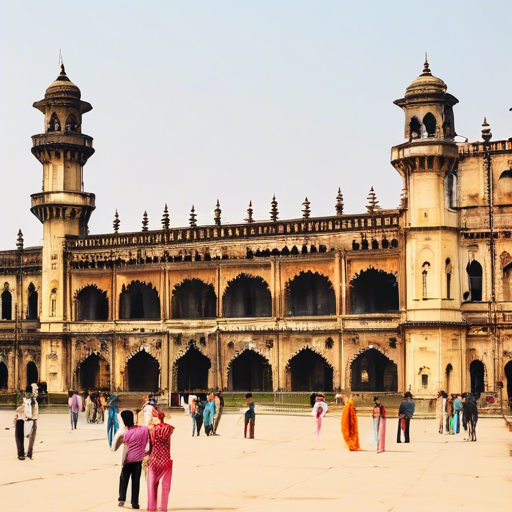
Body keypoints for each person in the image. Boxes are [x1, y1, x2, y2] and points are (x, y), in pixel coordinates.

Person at [117, 410, 149, 510]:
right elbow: (148, 442)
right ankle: (135, 502)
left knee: (123, 479)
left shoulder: (125, 433)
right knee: (136, 482)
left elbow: (115, 447)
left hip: (128, 461)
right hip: (138, 461)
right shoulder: (144, 429)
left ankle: (122, 498)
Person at [147, 410, 174, 511]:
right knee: (165, 486)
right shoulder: (169, 428)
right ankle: (162, 507)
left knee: (152, 484)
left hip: (154, 459)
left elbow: (150, 443)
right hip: (166, 459)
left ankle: (152, 506)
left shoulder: (152, 429)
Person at [23, 393, 39, 459]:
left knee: (26, 437)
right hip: (32, 420)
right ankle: (29, 453)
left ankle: (23, 451)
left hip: (26, 420)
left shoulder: (24, 401)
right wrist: (30, 417)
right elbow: (31, 411)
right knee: (31, 438)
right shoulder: (33, 401)